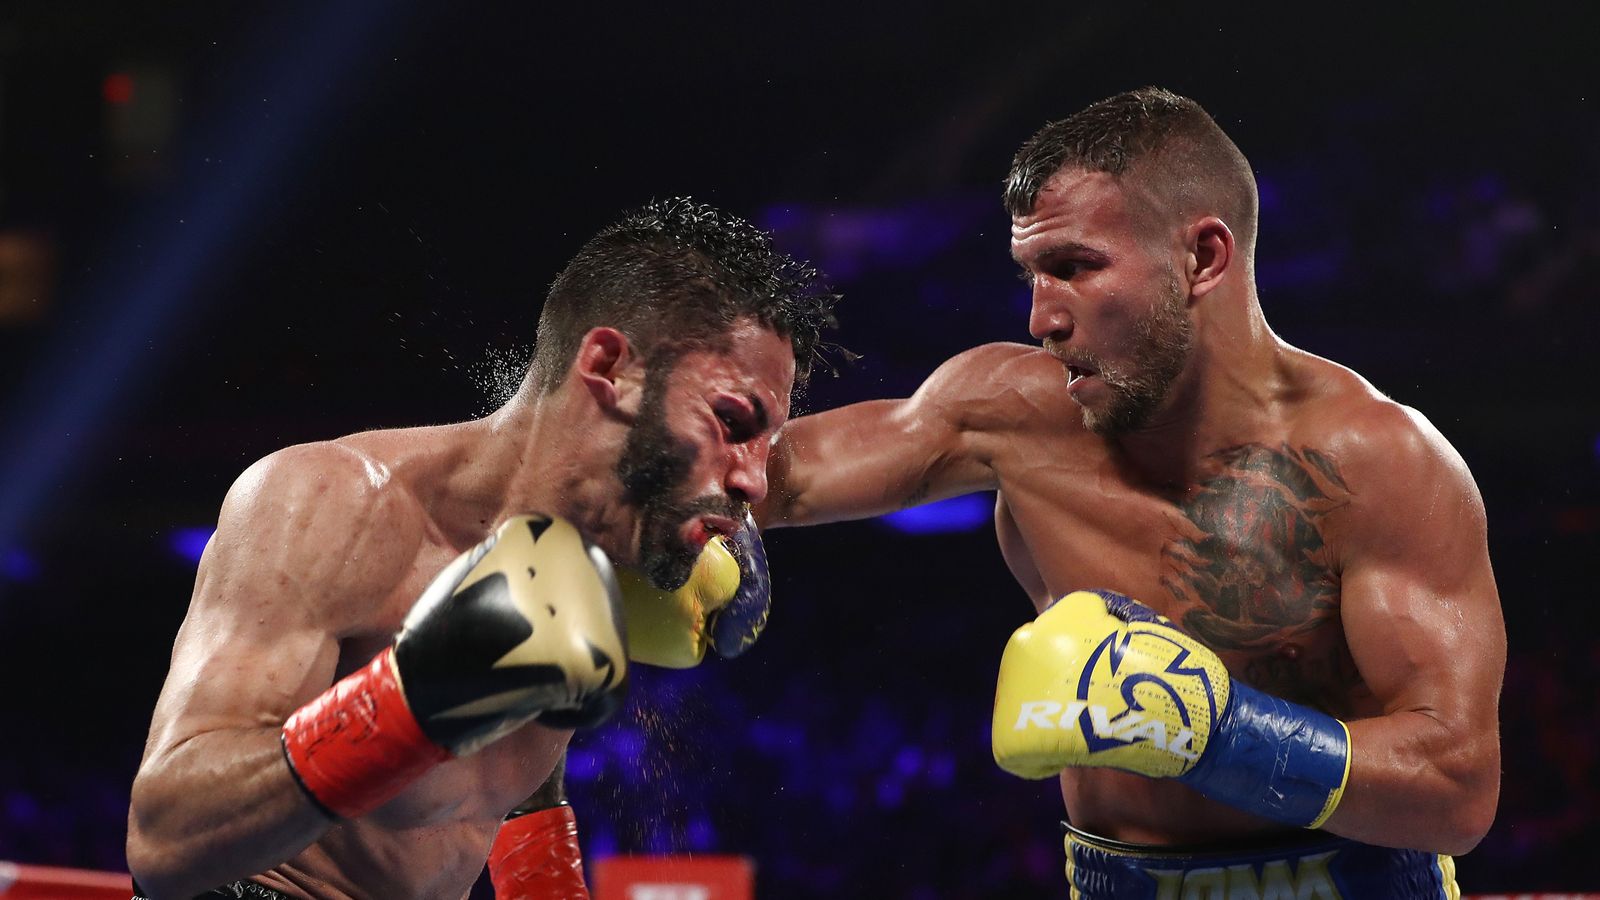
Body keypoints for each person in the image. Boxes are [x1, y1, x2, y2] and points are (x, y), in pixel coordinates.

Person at [762, 87, 1503, 897]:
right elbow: (771, 480)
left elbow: (1458, 790)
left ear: (1203, 258)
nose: (1042, 318)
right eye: (1032, 274)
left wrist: (1217, 738)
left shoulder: (1378, 461)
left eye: (1075, 267)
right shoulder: (1008, 412)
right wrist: (650, 494)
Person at [126, 197, 837, 900]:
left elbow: (504, 797)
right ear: (610, 366)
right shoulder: (328, 500)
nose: (751, 478)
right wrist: (418, 697)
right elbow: (166, 840)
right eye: (731, 419)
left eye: (767, 445)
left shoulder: (572, 568)